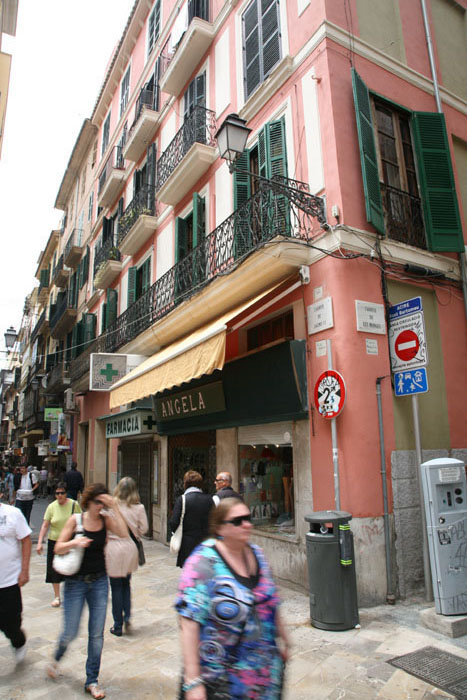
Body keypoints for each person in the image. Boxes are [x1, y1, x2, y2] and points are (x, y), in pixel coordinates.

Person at [175, 498, 290, 699]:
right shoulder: (203, 562)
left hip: (265, 677)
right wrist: (193, 681)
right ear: (221, 528)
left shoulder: (257, 554)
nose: (246, 524)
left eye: (247, 518)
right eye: (237, 521)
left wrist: (284, 638)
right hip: (222, 682)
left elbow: (270, 600)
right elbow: (188, 620)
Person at [47, 483, 128, 699]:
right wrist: (75, 542)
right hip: (75, 583)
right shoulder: (76, 520)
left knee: (96, 634)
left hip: (100, 582)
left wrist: (115, 508)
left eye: (103, 502)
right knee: (70, 631)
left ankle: (92, 680)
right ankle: (57, 657)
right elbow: (57, 547)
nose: (100, 506)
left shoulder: (106, 519)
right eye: (97, 502)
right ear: (88, 501)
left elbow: (123, 532)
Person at [105, 476, 148, 636]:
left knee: (115, 586)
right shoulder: (139, 508)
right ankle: (127, 615)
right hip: (130, 547)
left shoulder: (110, 507)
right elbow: (144, 529)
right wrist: (135, 532)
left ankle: (117, 624)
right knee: (126, 583)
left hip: (113, 547)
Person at [36, 482, 82, 607]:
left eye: (62, 493)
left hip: (69, 541)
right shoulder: (51, 507)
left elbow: (80, 520)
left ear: (66, 493)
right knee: (54, 569)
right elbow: (45, 525)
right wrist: (40, 542)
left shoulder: (74, 504)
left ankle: (72, 595)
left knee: (71, 567)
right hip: (54, 541)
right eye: (57, 493)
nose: (60, 495)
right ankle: (57, 596)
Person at [0, 491, 32, 665]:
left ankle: (18, 642)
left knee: (11, 623)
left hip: (9, 580)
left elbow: (26, 540)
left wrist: (24, 570)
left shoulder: (13, 514)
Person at [170, 470, 214, 568]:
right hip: (206, 543)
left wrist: (175, 533)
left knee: (190, 572)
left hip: (187, 544)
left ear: (185, 483)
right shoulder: (210, 499)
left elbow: (173, 522)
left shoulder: (182, 500)